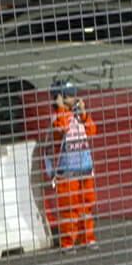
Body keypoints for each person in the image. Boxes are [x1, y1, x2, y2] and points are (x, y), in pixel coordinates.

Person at [44, 80, 98, 249]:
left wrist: (84, 113)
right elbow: (61, 129)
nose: (74, 98)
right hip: (67, 174)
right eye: (69, 96)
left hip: (85, 170)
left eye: (75, 94)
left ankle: (87, 238)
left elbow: (92, 131)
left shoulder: (79, 116)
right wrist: (61, 108)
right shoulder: (58, 117)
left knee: (86, 207)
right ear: (58, 98)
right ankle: (68, 242)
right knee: (69, 209)